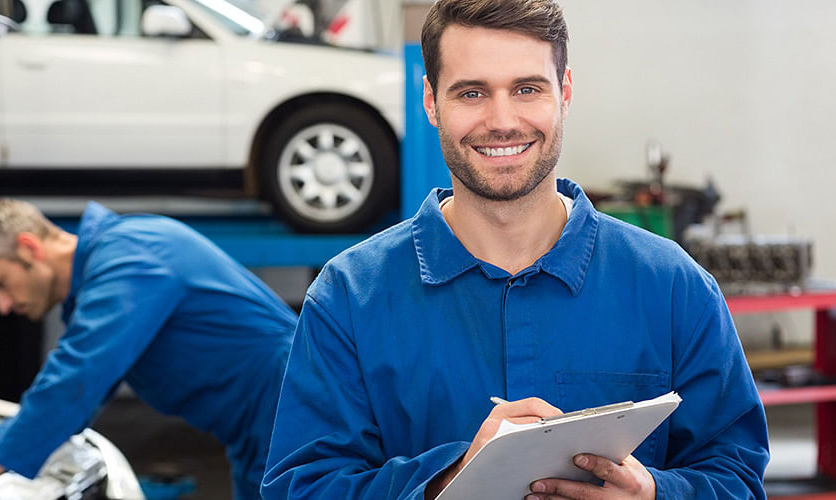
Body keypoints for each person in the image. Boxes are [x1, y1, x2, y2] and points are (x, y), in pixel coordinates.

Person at [260, 0, 769, 499]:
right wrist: (447, 480)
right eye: (472, 92)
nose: (502, 121)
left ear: (564, 93)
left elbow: (738, 479)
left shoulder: (672, 286)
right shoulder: (350, 298)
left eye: (527, 89)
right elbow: (302, 487)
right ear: (431, 102)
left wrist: (654, 494)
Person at [0, 198, 296, 499]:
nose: (3, 306)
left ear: (30, 248)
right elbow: (72, 403)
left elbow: (75, 379)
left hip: (296, 416)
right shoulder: (113, 269)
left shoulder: (131, 256)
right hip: (259, 433)